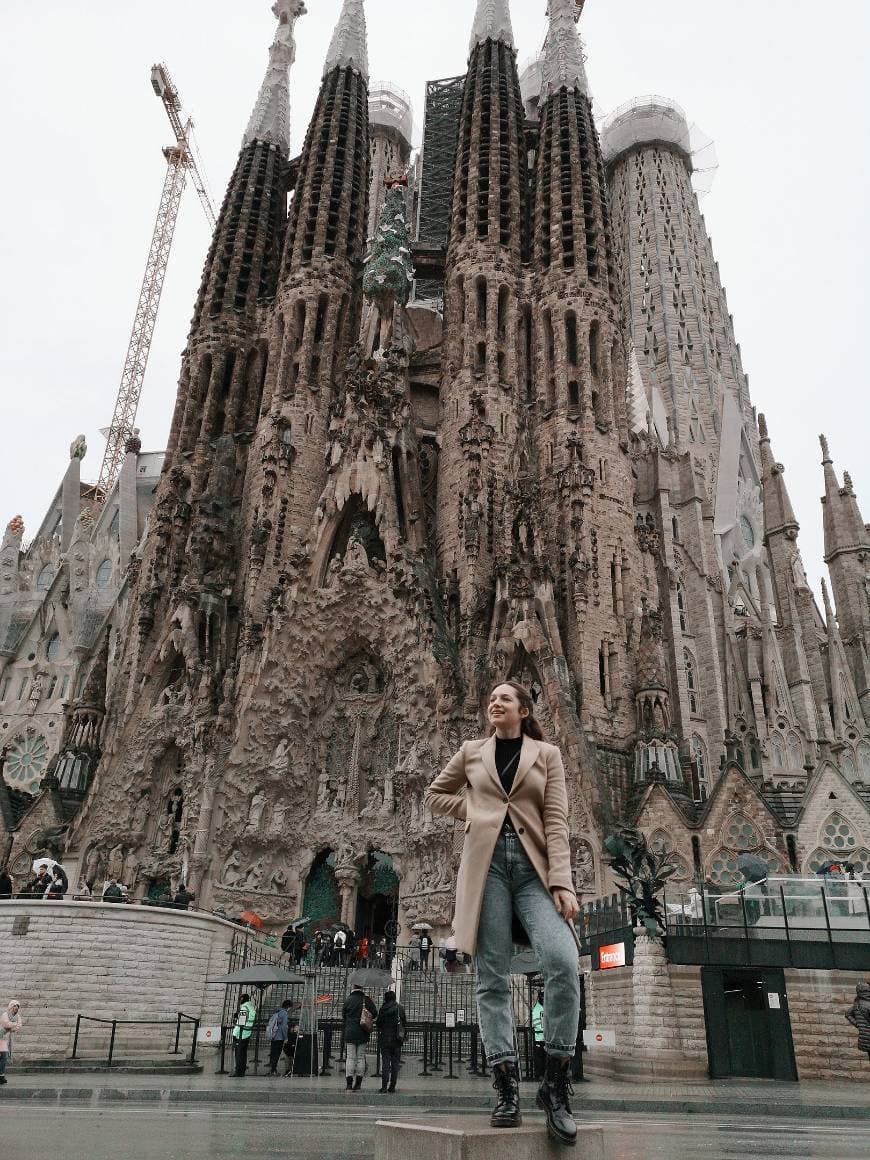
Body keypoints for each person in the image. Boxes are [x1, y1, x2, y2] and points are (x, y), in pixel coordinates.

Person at [425, 680, 581, 1147]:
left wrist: (563, 882)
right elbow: (435, 794)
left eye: (504, 698)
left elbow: (556, 821)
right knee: (491, 978)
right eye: (491, 698)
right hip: (487, 867)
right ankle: (506, 1085)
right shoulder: (472, 750)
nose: (495, 703)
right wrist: (473, 810)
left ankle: (555, 1081)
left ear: (523, 709)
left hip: (533, 870)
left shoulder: (546, 754)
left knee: (563, 962)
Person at [341, 982, 377, 1091]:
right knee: (360, 1057)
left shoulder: (348, 1000)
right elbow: (375, 1013)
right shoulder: (366, 1000)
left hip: (350, 1032)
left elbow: (344, 1016)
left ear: (353, 987)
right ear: (362, 987)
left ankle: (348, 1084)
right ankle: (358, 1083)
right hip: (363, 1031)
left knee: (350, 1057)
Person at [375, 989, 407, 1093]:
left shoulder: (383, 1009)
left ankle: (384, 1086)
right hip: (397, 1039)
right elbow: (404, 1024)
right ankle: (392, 1086)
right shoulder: (400, 1009)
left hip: (385, 1039)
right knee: (395, 1064)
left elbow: (378, 1023)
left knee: (385, 1063)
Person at [232, 992, 258, 1077]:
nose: (239, 1001)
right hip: (247, 1032)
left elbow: (241, 1022)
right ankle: (242, 1071)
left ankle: (238, 1071)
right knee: (243, 1053)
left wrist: (235, 1034)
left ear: (242, 999)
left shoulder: (244, 1007)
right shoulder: (251, 1007)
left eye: (240, 999)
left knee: (238, 1053)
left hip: (241, 1034)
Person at [266, 1000, 292, 1076]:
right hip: (280, 1037)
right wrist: (286, 1037)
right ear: (288, 1007)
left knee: (273, 1053)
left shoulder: (277, 1012)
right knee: (277, 1054)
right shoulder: (284, 1013)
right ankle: (273, 1070)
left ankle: (272, 1070)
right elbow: (284, 1027)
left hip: (273, 1035)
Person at [845, 982, 870, 1062]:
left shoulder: (857, 1003)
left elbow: (847, 1014)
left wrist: (858, 1025)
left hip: (864, 1039)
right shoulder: (868, 1004)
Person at [0, 1000, 23, 1085]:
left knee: (4, 1057)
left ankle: (1, 1076)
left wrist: (12, 1025)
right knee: (3, 1056)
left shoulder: (18, 1017)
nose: (16, 1008)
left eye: (17, 1006)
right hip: (1, 1037)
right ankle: (1, 1076)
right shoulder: (5, 1014)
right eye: (14, 1006)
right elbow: (6, 1024)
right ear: (11, 1006)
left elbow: (18, 1026)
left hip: (7, 1039)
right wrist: (14, 1024)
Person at [531, 989, 546, 1079]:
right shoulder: (537, 1009)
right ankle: (539, 1074)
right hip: (539, 1037)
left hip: (544, 1037)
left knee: (543, 1057)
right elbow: (537, 1024)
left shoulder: (542, 1007)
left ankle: (543, 1073)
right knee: (540, 1057)